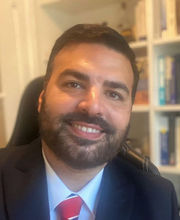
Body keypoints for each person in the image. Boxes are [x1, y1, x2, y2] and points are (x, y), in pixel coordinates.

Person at [0, 24, 179, 220]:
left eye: (114, 94)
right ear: (42, 98)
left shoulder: (158, 199)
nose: (94, 106)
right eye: (74, 84)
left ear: (129, 112)